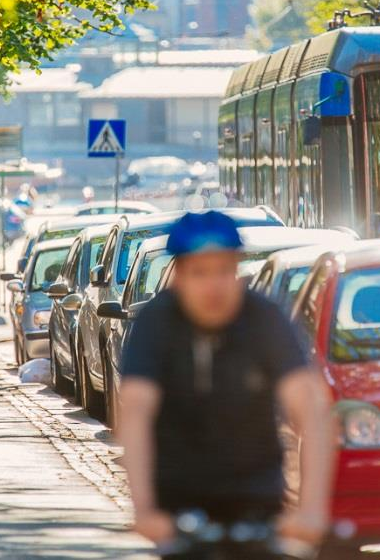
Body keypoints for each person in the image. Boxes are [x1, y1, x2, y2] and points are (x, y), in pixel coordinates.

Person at [117, 211, 335, 558]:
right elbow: (136, 412)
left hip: (256, 495)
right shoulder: (157, 322)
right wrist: (144, 509)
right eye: (199, 273)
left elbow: (310, 410)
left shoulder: (264, 318)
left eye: (223, 270)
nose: (213, 285)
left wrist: (311, 510)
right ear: (179, 275)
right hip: (179, 499)